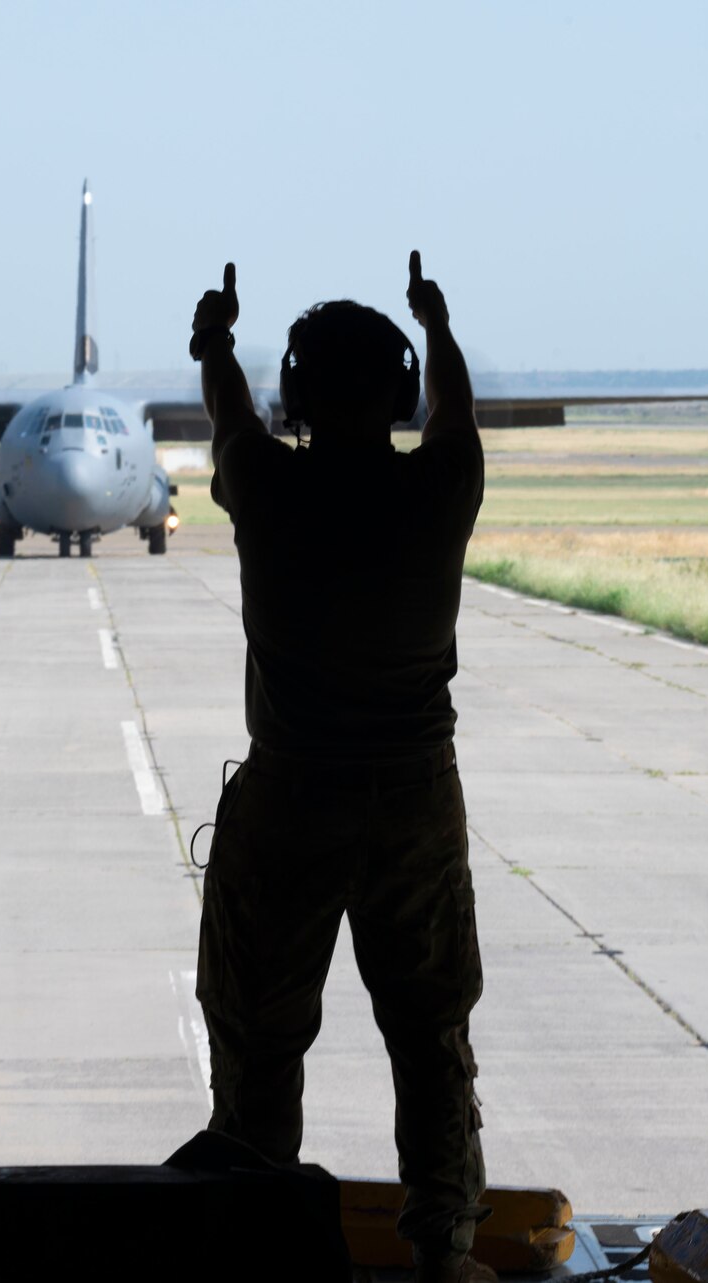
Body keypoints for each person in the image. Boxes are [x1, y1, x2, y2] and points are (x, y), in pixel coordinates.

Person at [188, 253, 491, 1283]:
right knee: (429, 1032)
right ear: (397, 388)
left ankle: (253, 1240)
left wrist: (215, 343)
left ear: (296, 394)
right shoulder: (442, 487)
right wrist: (435, 324)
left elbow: (228, 414)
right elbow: (452, 410)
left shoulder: (267, 486)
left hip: (291, 793)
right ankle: (443, 1247)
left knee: (257, 1035)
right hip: (412, 794)